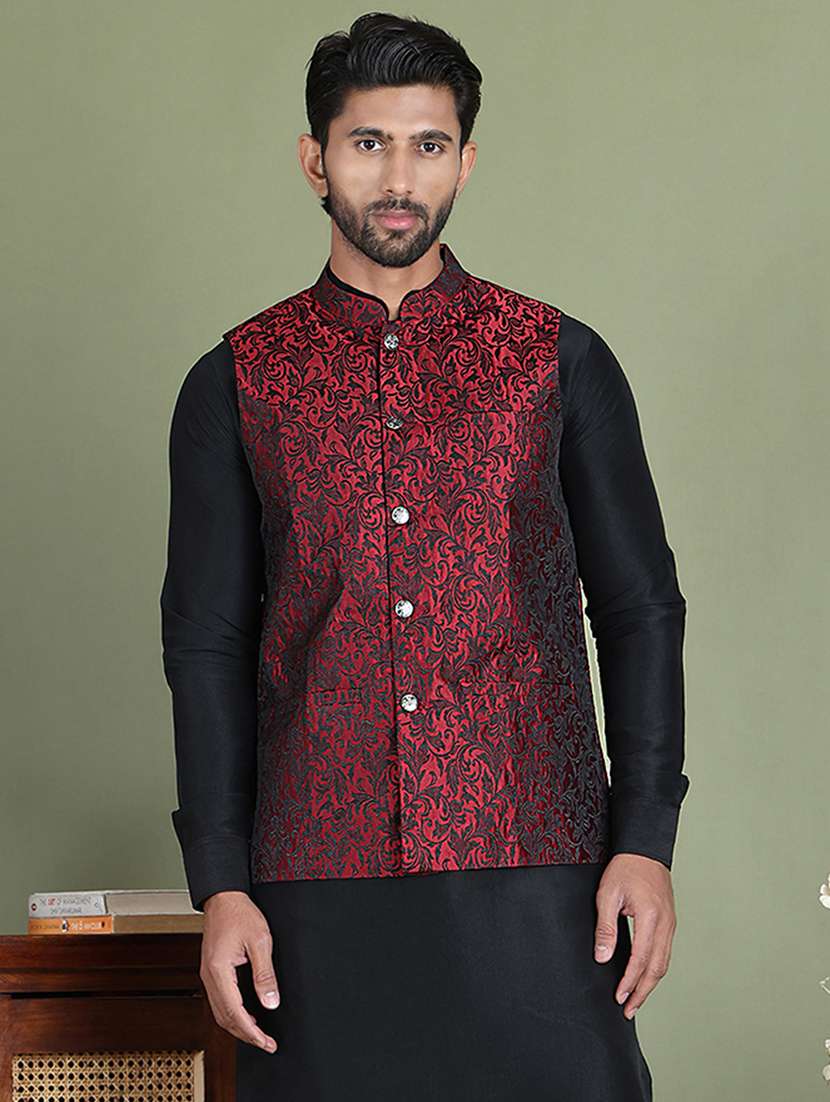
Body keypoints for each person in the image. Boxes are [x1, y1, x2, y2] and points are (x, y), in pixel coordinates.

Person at [160, 12, 690, 1100]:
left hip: (538, 854)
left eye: (428, 144)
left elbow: (640, 609)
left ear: (465, 161)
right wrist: (219, 881)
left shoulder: (556, 360)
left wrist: (643, 839)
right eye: (368, 143)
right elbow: (206, 642)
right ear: (314, 159)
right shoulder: (238, 381)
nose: (399, 178)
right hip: (310, 872)